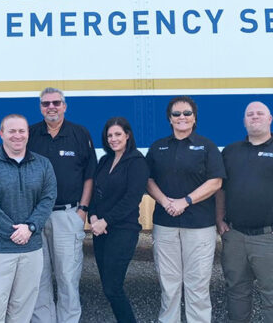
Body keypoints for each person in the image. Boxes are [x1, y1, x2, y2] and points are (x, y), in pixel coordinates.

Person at [146, 95, 225, 323]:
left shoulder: (207, 146)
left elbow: (216, 182)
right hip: (165, 223)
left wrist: (185, 201)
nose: (182, 117)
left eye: (187, 113)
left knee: (197, 284)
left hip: (199, 225)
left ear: (194, 118)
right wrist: (164, 201)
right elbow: (147, 179)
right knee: (168, 283)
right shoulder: (158, 146)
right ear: (169, 119)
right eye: (176, 114)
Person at [0, 114, 57, 322]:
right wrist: (15, 232)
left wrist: (30, 227)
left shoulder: (43, 164)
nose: (17, 135)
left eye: (21, 131)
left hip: (31, 250)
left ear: (28, 134)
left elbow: (48, 199)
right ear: (1, 134)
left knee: (22, 310)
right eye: (12, 131)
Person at [29, 87, 97, 323]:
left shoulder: (80, 134)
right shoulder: (31, 134)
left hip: (68, 215)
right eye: (46, 103)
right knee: (39, 277)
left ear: (64, 106)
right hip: (35, 217)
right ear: (40, 108)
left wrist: (83, 210)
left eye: (56, 103)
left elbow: (90, 175)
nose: (51, 107)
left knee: (68, 277)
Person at [216, 101, 273, 323]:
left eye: (260, 113)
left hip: (267, 237)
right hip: (235, 236)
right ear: (244, 121)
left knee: (271, 293)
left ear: (270, 119)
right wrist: (219, 218)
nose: (255, 117)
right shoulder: (231, 151)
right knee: (237, 291)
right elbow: (221, 189)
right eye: (250, 114)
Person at [89, 117, 149, 323]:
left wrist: (105, 221)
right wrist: (93, 216)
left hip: (123, 230)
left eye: (117, 134)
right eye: (109, 135)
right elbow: (95, 192)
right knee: (108, 285)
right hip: (100, 231)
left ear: (127, 135)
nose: (113, 139)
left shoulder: (137, 162)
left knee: (113, 288)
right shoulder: (105, 161)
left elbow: (132, 199)